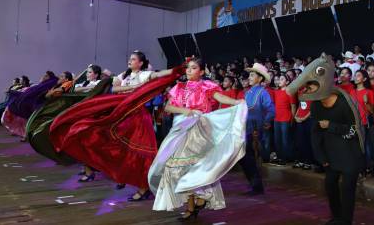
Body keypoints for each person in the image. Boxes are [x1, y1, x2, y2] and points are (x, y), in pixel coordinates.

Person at [50, 51, 183, 201]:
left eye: (133, 59)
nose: (130, 61)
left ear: (140, 63)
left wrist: (177, 69)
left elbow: (160, 75)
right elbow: (112, 89)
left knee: (139, 154)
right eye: (130, 59)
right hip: (123, 115)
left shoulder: (146, 74)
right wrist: (134, 87)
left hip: (138, 117)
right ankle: (122, 175)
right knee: (111, 145)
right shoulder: (123, 76)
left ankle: (144, 188)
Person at [148, 58, 246, 220]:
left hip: (200, 129)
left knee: (198, 166)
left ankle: (200, 198)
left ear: (201, 72)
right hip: (181, 129)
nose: (189, 71)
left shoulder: (207, 86)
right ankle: (191, 207)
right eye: (188, 68)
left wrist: (236, 102)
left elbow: (220, 98)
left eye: (193, 68)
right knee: (179, 167)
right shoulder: (179, 87)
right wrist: (184, 111)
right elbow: (168, 107)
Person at [287, 54, 365, 225]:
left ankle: (345, 221)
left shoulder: (345, 102)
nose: (309, 91)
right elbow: (315, 133)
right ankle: (337, 218)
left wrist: (330, 125)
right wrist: (321, 157)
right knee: (330, 186)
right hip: (331, 155)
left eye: (312, 87)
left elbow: (355, 129)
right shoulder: (315, 105)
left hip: (350, 154)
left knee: (347, 189)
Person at [242, 63, 275, 194]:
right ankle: (255, 185)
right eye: (249, 74)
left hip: (255, 130)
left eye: (252, 75)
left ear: (260, 78)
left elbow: (271, 109)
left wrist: (266, 121)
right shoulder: (248, 92)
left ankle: (257, 186)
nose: (249, 77)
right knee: (245, 158)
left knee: (251, 157)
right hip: (246, 129)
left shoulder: (263, 93)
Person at [354, 70, 374, 174]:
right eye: (355, 75)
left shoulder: (369, 92)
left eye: (358, 75)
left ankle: (366, 168)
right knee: (356, 146)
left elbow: (372, 111)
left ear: (365, 79)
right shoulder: (352, 92)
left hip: (363, 123)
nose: (356, 77)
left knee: (365, 146)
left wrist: (366, 102)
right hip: (353, 123)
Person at [273, 74, 296, 165]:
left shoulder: (290, 92)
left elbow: (293, 106)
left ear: (287, 82)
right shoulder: (276, 92)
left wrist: (292, 119)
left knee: (285, 139)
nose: (279, 81)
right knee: (277, 139)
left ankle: (286, 158)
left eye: (282, 79)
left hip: (286, 118)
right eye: (279, 79)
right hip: (276, 118)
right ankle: (279, 157)